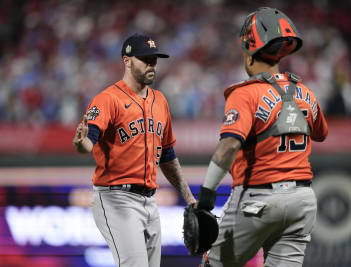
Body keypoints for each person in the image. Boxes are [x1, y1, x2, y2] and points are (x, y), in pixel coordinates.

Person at [195, 7, 328, 267]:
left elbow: (229, 145)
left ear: (248, 53)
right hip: (302, 200)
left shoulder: (245, 94)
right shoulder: (306, 92)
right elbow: (321, 133)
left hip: (258, 199)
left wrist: (206, 196)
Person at [72, 33, 196, 267]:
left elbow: (168, 156)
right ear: (126, 61)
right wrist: (81, 143)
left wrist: (190, 199)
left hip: (150, 201)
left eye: (154, 59)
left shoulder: (160, 101)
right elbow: (88, 141)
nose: (151, 65)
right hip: (116, 198)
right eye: (145, 59)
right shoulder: (107, 99)